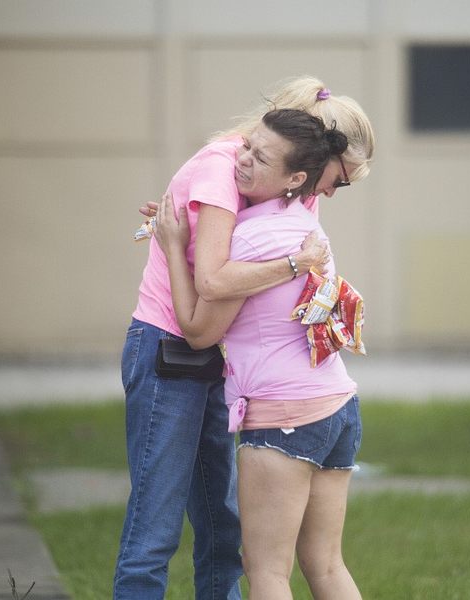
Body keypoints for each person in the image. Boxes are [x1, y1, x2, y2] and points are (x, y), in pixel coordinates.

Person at [115, 76, 374, 600]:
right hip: (176, 346)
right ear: (309, 157)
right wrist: (176, 243)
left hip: (233, 363)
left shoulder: (289, 204)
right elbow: (212, 287)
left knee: (223, 528)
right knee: (156, 532)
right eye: (338, 178)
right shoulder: (228, 170)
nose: (331, 191)